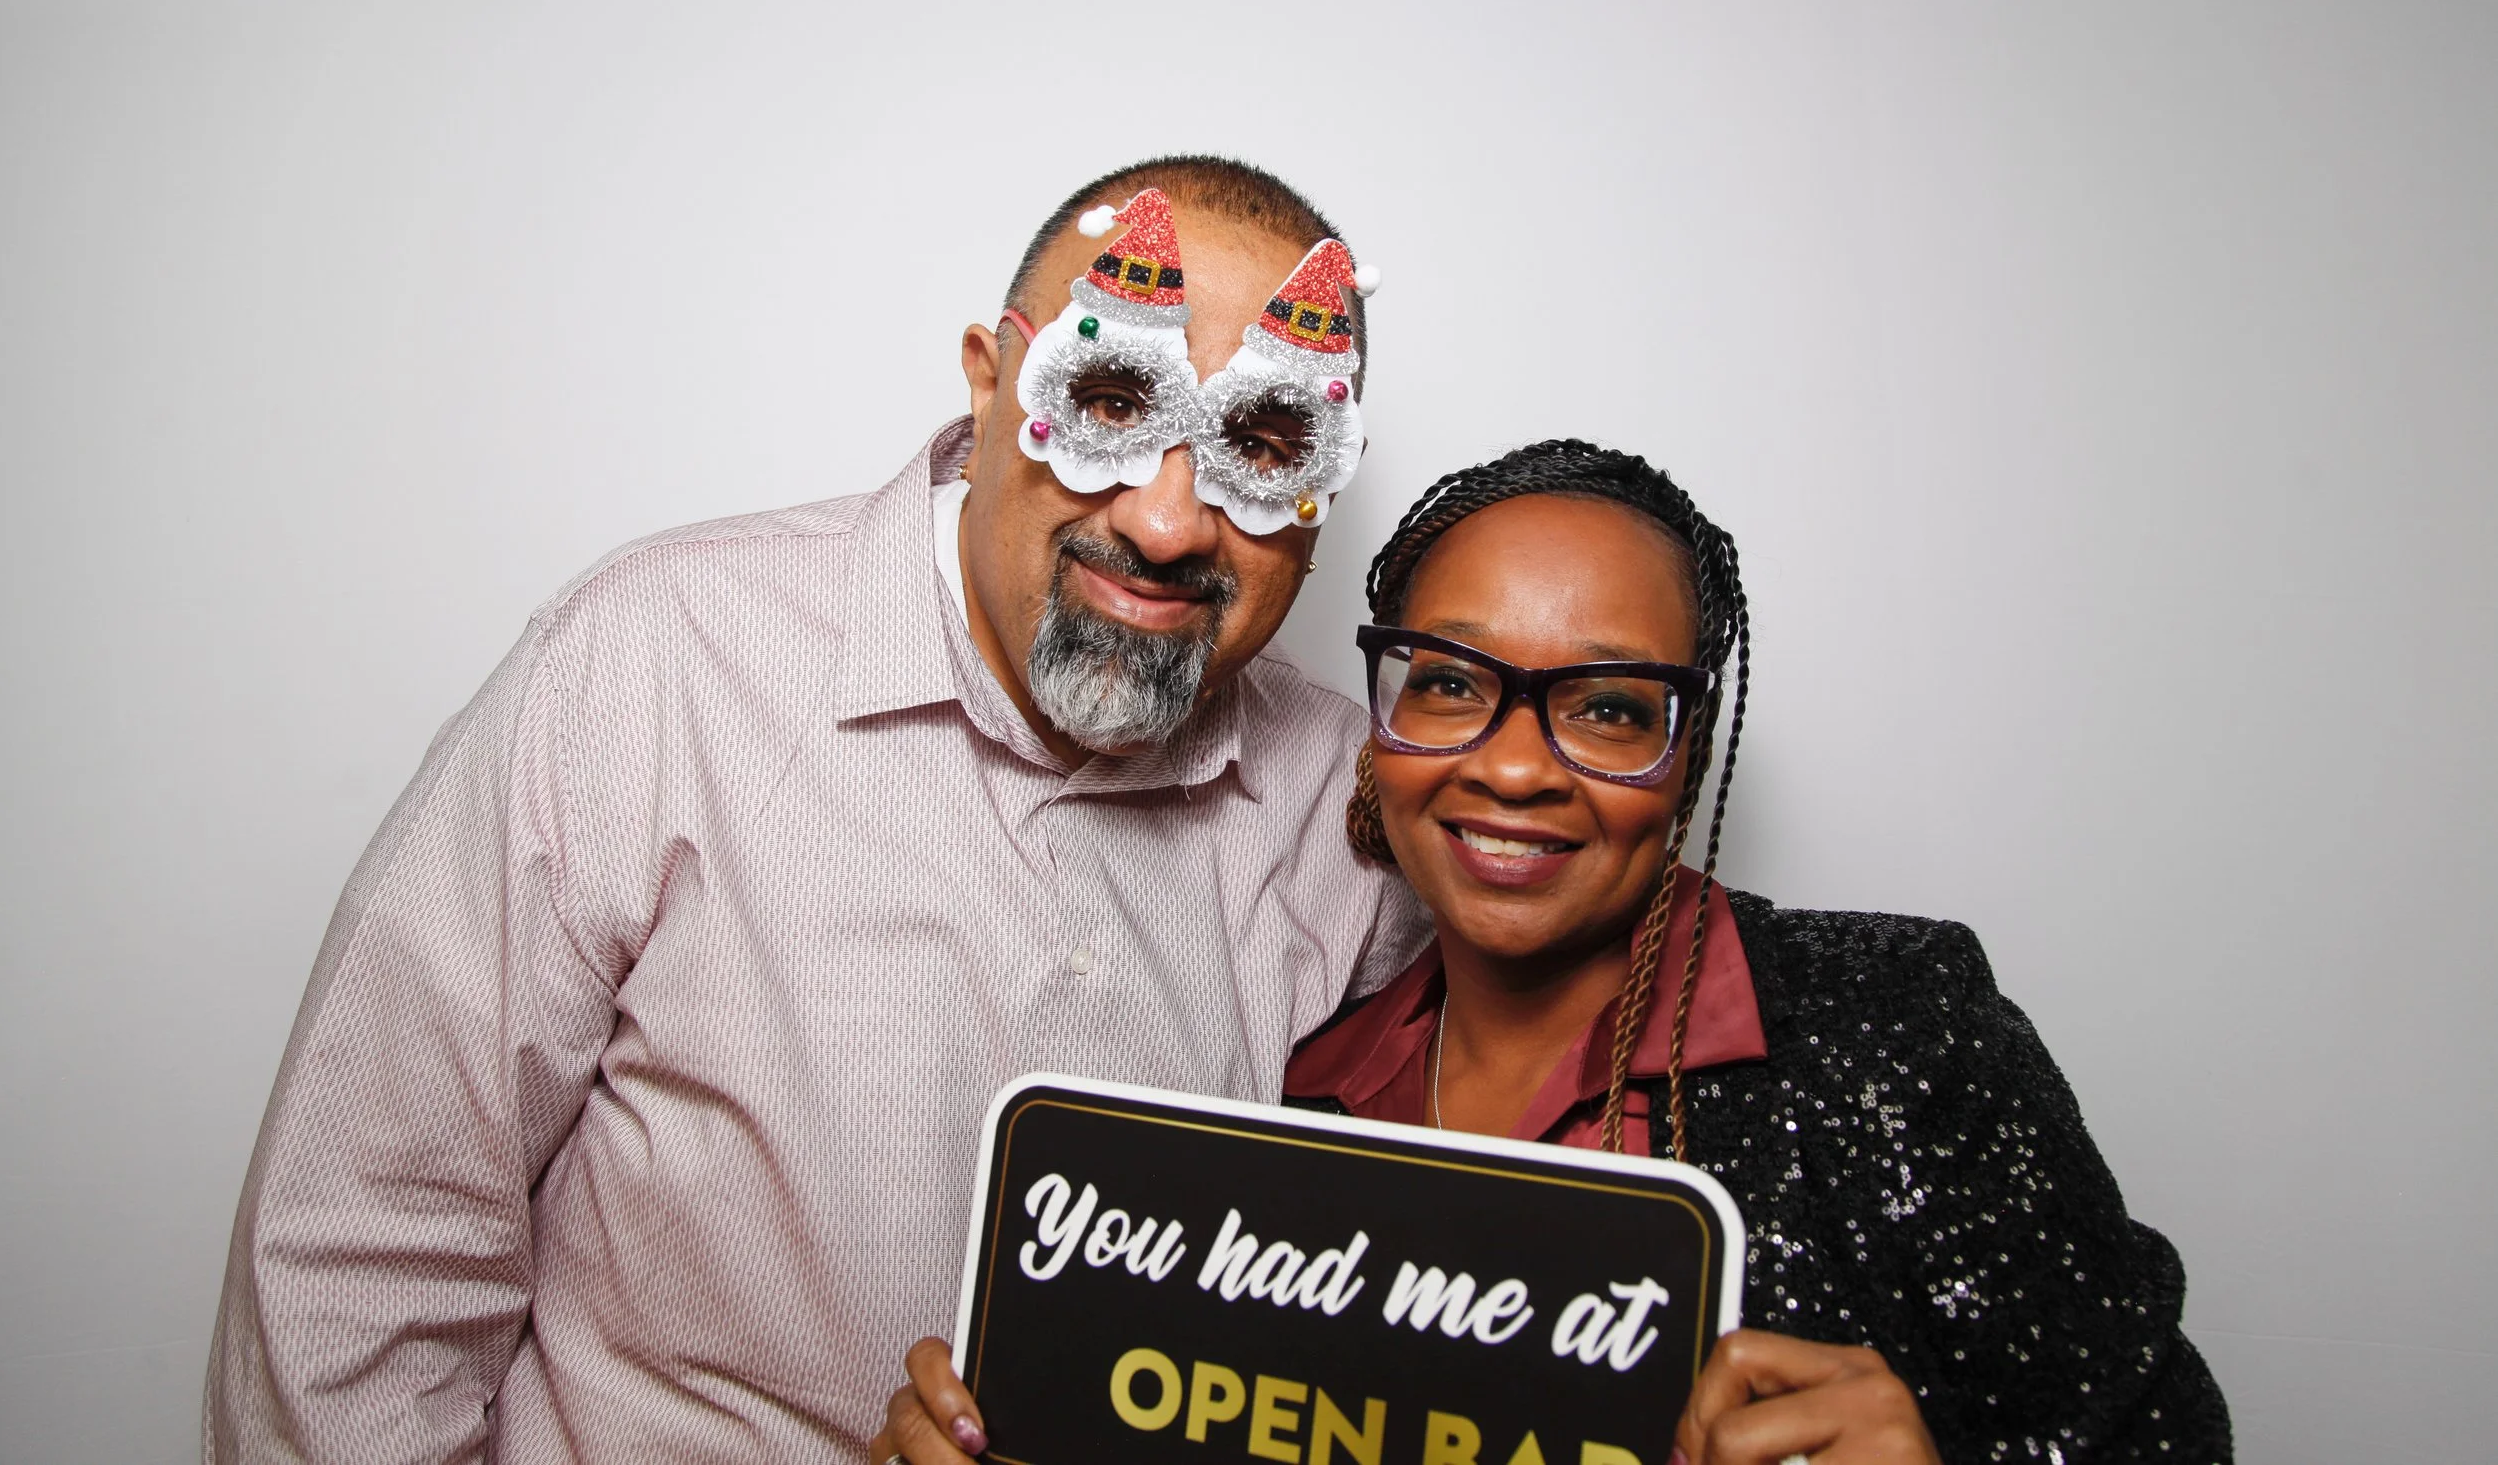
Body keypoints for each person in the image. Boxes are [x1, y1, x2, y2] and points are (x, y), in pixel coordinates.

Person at [206, 157, 1428, 1464]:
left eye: (1264, 442)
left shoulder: (1357, 814)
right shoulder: (657, 664)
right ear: (988, 378)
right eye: (1116, 399)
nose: (1172, 520)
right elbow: (360, 1268)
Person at [876, 440, 2232, 1465]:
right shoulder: (1306, 1086)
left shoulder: (1892, 1027)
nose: (1515, 765)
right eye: (1452, 683)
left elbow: (2167, 1434)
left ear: (1685, 750)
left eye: (1607, 705)